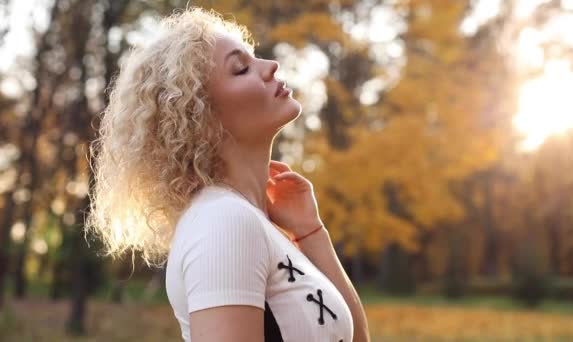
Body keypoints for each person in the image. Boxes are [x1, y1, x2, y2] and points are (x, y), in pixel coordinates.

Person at [86, 7, 370, 342]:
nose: (270, 66)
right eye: (241, 68)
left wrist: (310, 231)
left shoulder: (250, 221)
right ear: (200, 119)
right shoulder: (223, 221)